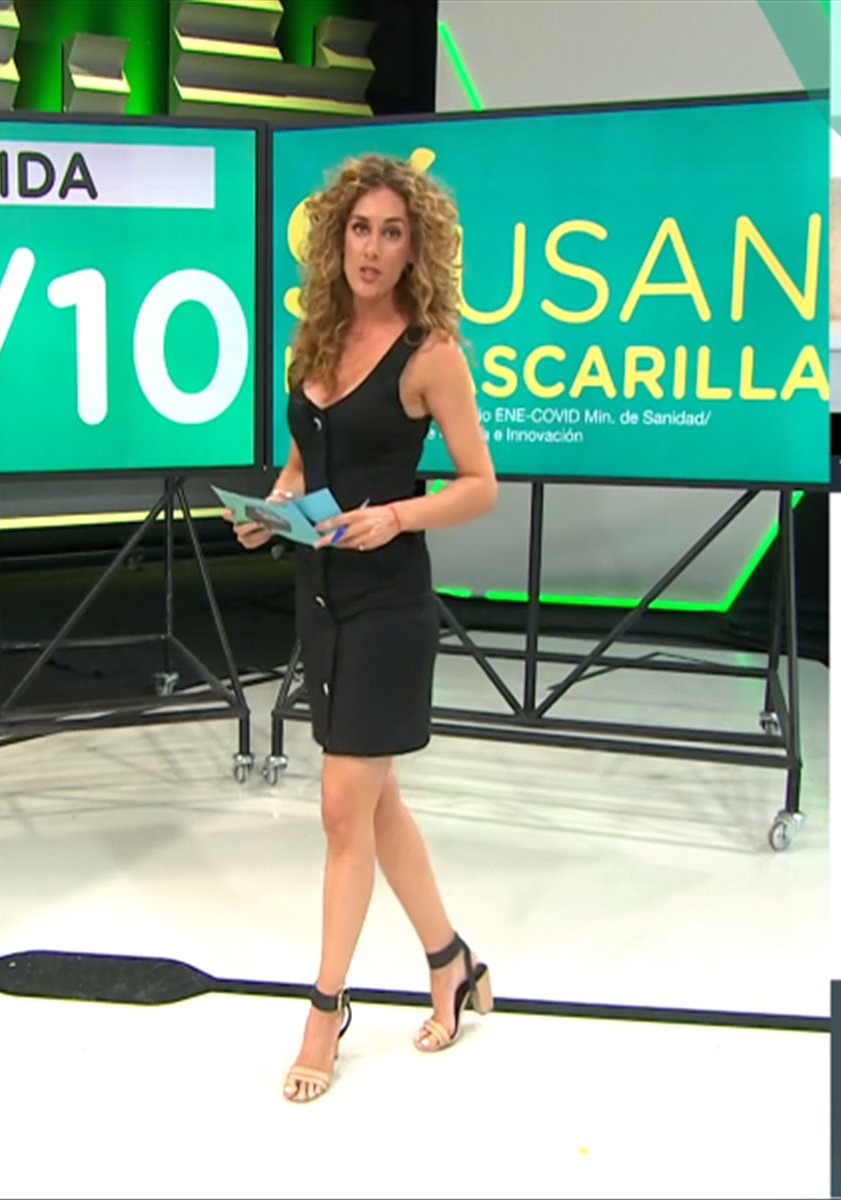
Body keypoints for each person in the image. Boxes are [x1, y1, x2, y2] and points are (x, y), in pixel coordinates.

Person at [228, 154, 498, 1103]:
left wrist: (397, 516)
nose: (372, 248)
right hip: (322, 597)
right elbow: (307, 459)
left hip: (389, 605)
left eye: (392, 232)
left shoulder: (432, 355)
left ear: (414, 248)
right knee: (376, 806)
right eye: (358, 229)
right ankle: (451, 961)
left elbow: (480, 486)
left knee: (343, 807)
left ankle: (325, 1010)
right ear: (335, 238)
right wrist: (274, 507)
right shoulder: (317, 338)